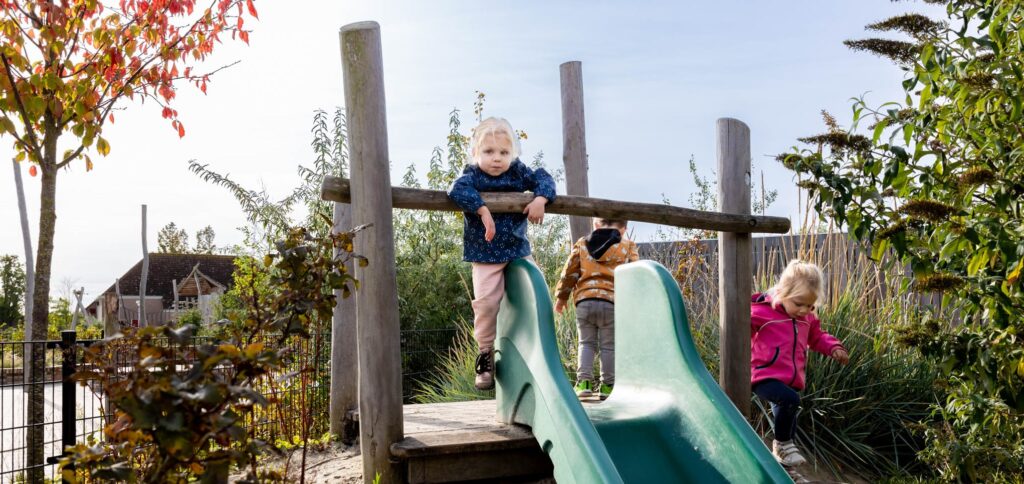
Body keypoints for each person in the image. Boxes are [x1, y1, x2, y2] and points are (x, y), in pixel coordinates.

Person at [448, 117, 557, 391]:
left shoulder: (517, 172)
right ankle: (485, 353)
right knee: (486, 304)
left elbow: (544, 178)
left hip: (517, 250)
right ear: (476, 153)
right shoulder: (473, 175)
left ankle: (539, 347)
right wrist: (482, 209)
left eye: (504, 152)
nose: (496, 158)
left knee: (537, 293)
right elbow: (456, 189)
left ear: (513, 154)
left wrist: (540, 199)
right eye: (488, 151)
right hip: (485, 254)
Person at [750, 259, 850, 467]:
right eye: (798, 303)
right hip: (763, 375)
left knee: (790, 420)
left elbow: (817, 337)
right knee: (790, 400)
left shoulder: (807, 318)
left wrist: (834, 347)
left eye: (810, 305)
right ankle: (781, 445)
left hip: (789, 380)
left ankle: (787, 468)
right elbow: (742, 328)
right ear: (782, 293)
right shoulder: (763, 312)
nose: (804, 310)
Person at [553, 218, 638, 400]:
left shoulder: (582, 243)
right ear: (624, 229)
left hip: (585, 301)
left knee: (586, 343)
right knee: (608, 346)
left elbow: (569, 272)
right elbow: (635, 274)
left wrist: (561, 297)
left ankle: (584, 384)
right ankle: (607, 386)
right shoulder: (628, 246)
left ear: (596, 225)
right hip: (611, 303)